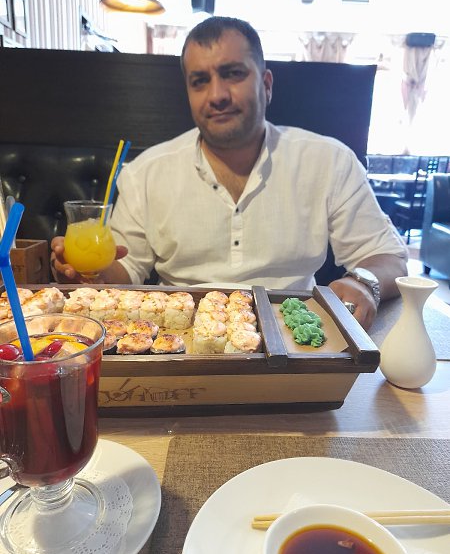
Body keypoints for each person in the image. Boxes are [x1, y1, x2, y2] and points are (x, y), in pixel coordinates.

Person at [51, 16, 408, 330]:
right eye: (199, 81)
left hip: (296, 337)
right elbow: (126, 272)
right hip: (180, 339)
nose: (217, 95)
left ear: (266, 84)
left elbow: (388, 257)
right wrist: (88, 272)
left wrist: (364, 282)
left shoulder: (329, 160)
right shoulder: (145, 172)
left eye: (233, 74)